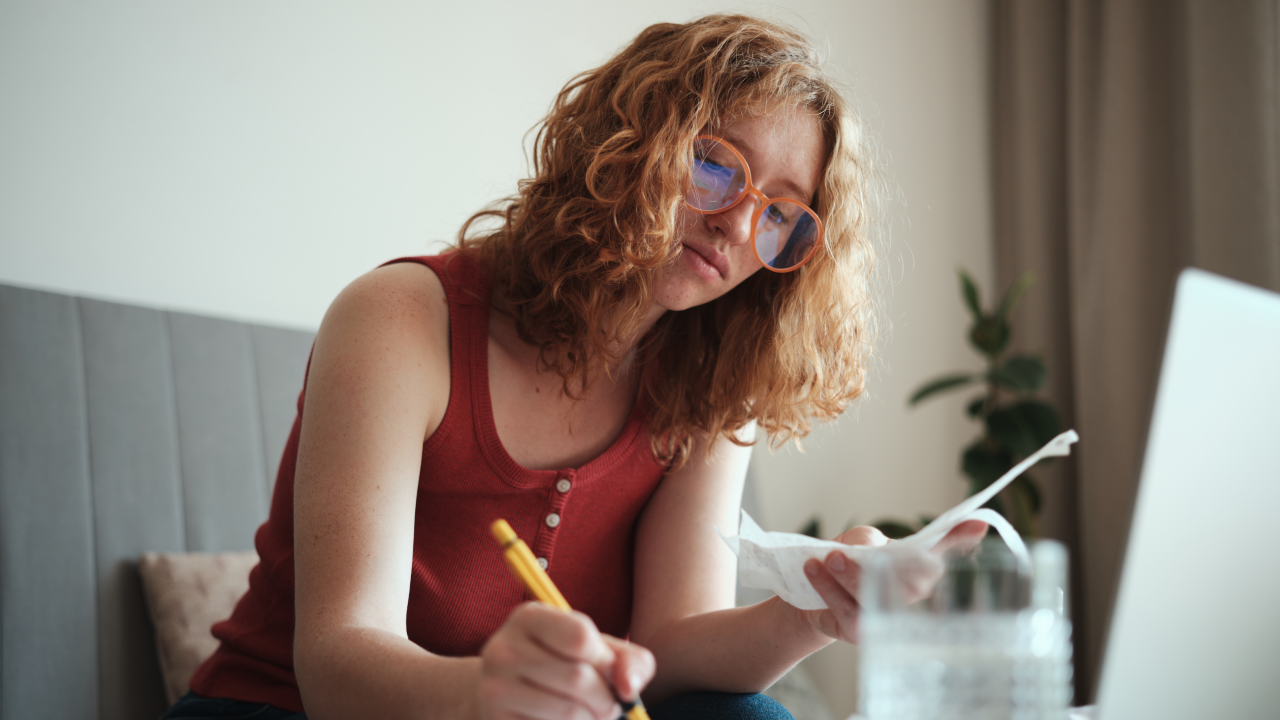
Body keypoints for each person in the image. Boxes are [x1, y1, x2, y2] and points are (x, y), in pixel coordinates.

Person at [164, 14, 985, 720]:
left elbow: (672, 647)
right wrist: (492, 694)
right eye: (714, 165)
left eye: (782, 214)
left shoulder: (711, 383)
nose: (739, 226)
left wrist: (817, 611)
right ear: (631, 144)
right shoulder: (400, 318)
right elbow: (336, 666)